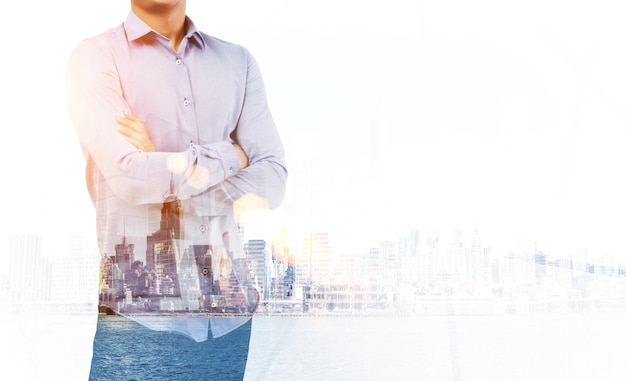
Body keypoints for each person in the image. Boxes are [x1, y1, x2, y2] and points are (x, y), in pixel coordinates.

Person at [66, 1, 287, 379]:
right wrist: (230, 155)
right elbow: (131, 180)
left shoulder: (239, 63)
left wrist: (162, 162)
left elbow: (273, 182)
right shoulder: (95, 58)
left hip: (229, 319)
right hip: (138, 318)